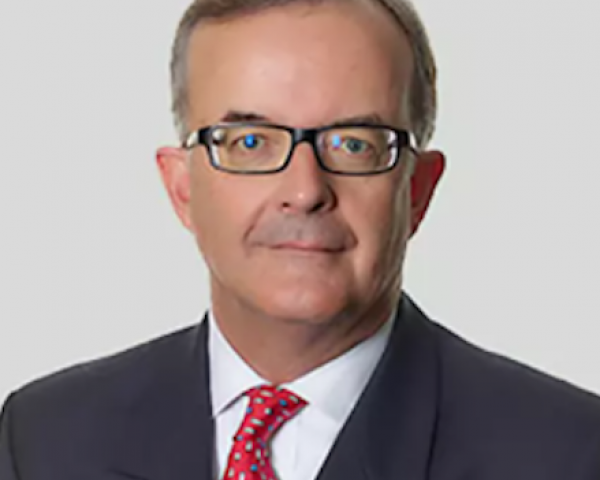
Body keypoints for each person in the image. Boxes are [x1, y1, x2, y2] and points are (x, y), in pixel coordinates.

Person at [1, 0, 599, 478]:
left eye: (354, 144)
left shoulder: (567, 454)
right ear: (181, 187)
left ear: (417, 190)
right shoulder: (46, 440)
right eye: (250, 142)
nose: (305, 190)